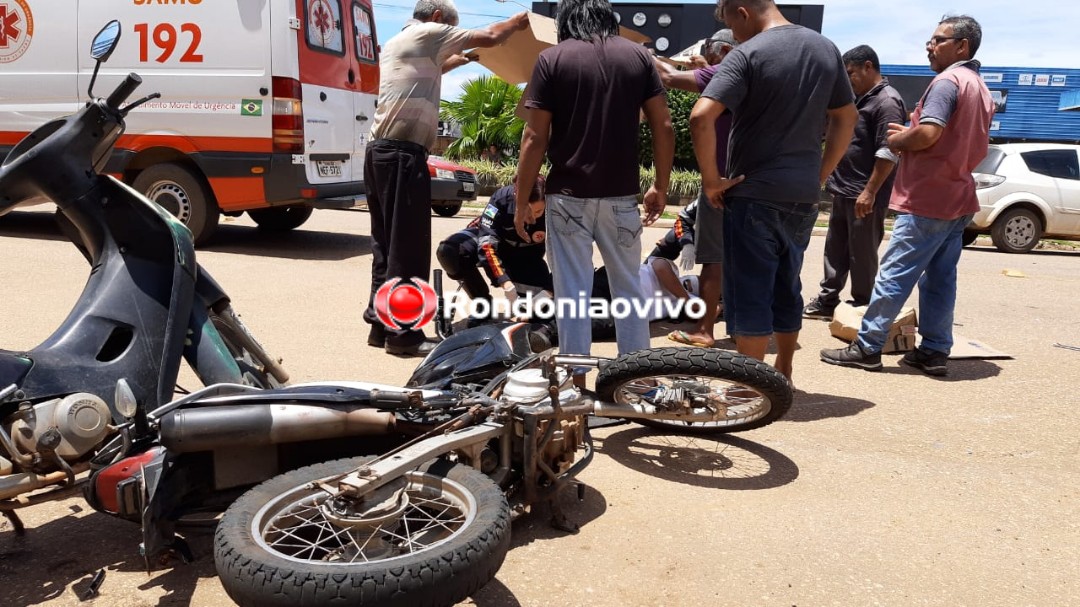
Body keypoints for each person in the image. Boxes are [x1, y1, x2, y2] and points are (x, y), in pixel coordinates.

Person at [686, 0, 858, 382]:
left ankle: (753, 388)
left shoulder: (747, 54)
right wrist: (821, 173)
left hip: (753, 193)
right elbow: (846, 117)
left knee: (750, 292)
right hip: (803, 194)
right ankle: (783, 370)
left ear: (742, 12)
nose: (731, 31)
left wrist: (712, 181)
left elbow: (701, 117)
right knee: (787, 285)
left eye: (729, 21)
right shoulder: (824, 48)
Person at [821, 15, 994, 377]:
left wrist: (899, 139)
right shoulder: (979, 86)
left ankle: (867, 347)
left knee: (895, 275)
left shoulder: (948, 82)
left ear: (962, 46)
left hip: (928, 198)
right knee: (940, 279)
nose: (929, 46)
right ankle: (933, 350)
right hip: (958, 197)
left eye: (938, 40)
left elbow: (929, 133)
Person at [514, 0, 674, 386]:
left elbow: (535, 136)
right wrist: (660, 185)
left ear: (565, 20)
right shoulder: (638, 58)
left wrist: (521, 201)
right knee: (629, 288)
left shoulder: (552, 59)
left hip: (568, 196)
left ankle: (577, 385)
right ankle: (638, 383)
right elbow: (664, 125)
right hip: (621, 196)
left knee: (572, 292)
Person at [363, 1, 529, 357]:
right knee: (407, 250)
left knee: (386, 247)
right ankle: (404, 336)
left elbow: (446, 63)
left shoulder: (402, 40)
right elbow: (491, 35)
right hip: (403, 156)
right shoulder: (429, 32)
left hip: (379, 153)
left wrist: (467, 58)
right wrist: (519, 23)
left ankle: (381, 326)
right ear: (438, 19)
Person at [804, 45, 907, 319]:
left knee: (861, 255)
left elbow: (889, 151)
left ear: (868, 67)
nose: (848, 78)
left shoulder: (887, 101)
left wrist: (870, 191)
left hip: (865, 194)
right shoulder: (859, 99)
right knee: (835, 249)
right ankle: (827, 301)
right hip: (843, 189)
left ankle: (862, 307)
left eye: (850, 73)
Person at [654, 28, 738, 348]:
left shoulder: (731, 69)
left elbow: (671, 79)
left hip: (720, 181)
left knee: (713, 258)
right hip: (748, 179)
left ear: (726, 51)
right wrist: (701, 65)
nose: (710, 60)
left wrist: (644, 56)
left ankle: (705, 329)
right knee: (745, 256)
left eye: (712, 54)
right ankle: (744, 326)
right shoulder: (753, 71)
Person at [436, 177, 551, 319]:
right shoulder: (501, 199)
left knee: (540, 315)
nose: (532, 218)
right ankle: (483, 306)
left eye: (538, 212)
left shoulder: (555, 210)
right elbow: (487, 244)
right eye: (526, 211)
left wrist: (549, 291)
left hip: (527, 257)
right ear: (516, 198)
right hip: (497, 247)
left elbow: (568, 258)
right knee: (449, 251)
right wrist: (505, 282)